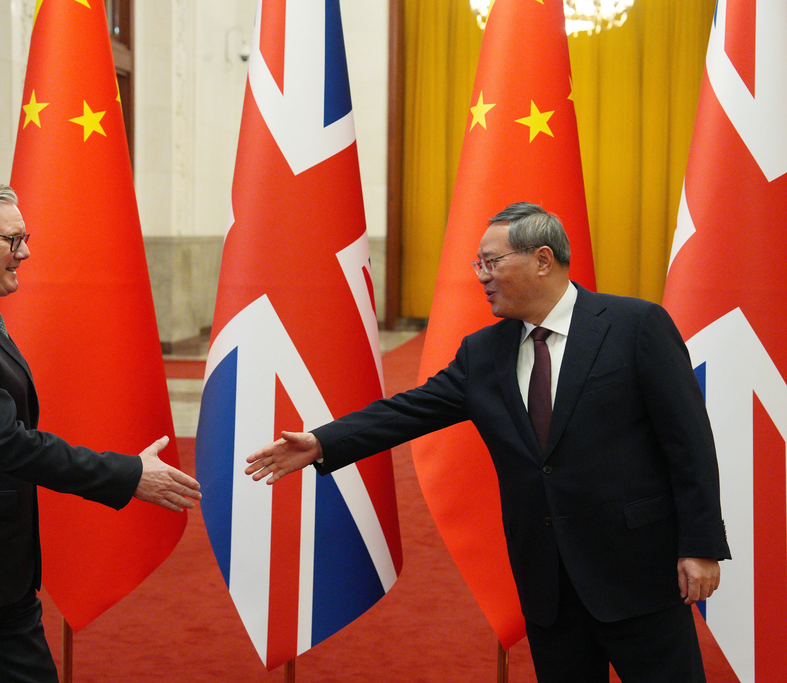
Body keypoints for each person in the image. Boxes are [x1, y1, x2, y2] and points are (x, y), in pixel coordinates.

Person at [246, 202, 730, 681]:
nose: (481, 276)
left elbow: (689, 442)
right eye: (478, 263)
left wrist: (701, 545)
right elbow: (408, 410)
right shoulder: (485, 351)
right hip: (548, 584)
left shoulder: (635, 326)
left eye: (492, 262)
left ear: (543, 260)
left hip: (637, 573)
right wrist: (322, 442)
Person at [0, 177, 202, 682]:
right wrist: (126, 474)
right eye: (12, 241)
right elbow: (8, 444)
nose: (24, 253)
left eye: (25, 239)